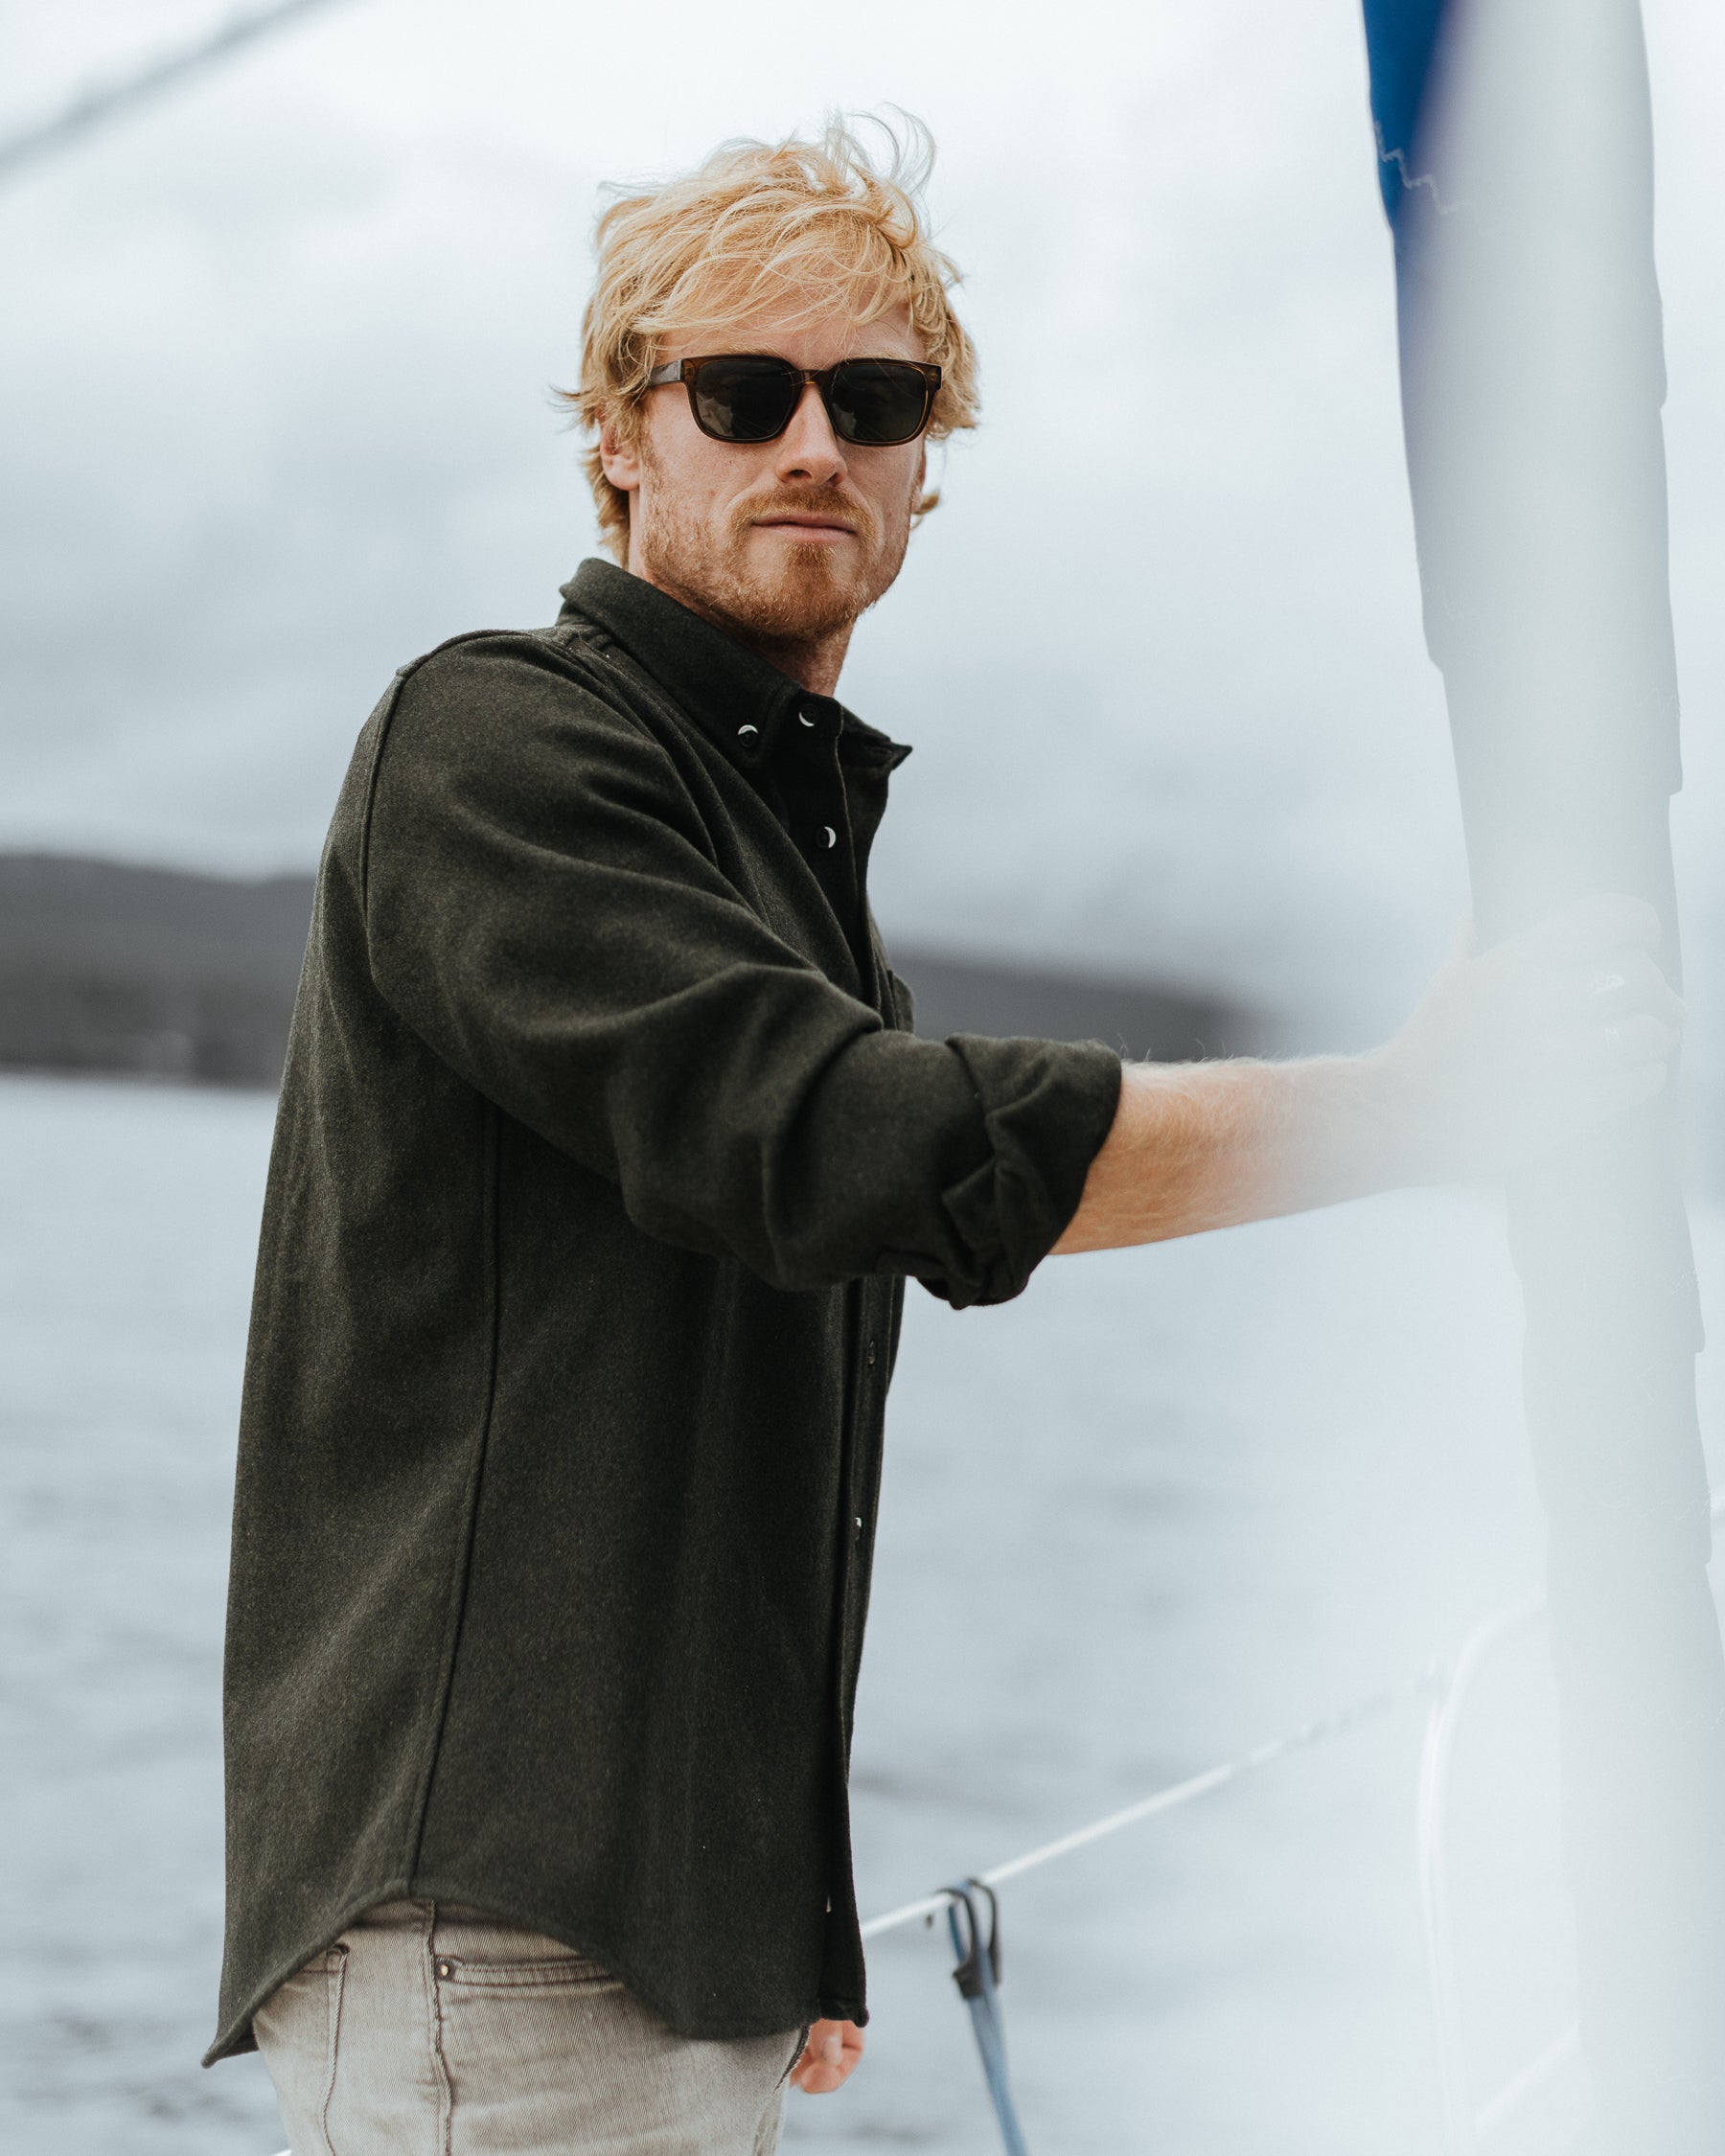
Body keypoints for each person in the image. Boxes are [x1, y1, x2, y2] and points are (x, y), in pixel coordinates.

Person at [207, 117, 1680, 2154]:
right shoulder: (495, 742)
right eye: (744, 392)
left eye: (877, 400)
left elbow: (785, 1324)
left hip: (654, 1942)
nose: (814, 442)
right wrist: (1410, 1111)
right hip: (503, 1940)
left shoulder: (771, 853)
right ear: (620, 436)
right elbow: (840, 1144)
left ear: (927, 463)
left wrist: (783, 1909)